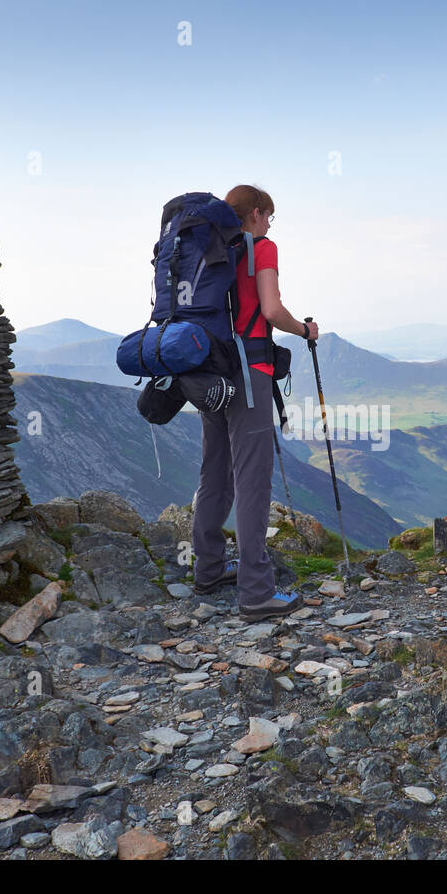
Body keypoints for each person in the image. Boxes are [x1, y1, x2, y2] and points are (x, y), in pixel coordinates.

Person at [191, 185, 321, 619]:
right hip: (249, 374)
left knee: (215, 472)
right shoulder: (261, 247)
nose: (270, 224)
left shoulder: (208, 248)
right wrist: (304, 330)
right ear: (258, 213)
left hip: (209, 374)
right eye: (269, 216)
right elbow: (270, 310)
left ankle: (208, 568)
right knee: (252, 480)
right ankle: (257, 593)